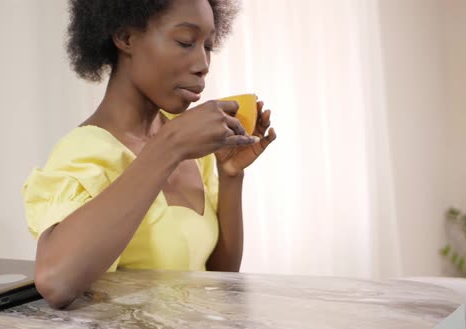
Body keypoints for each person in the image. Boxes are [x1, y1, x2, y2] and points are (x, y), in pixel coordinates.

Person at [23, 0, 276, 309]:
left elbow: (217, 278)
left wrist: (231, 175)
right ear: (126, 38)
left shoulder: (192, 146)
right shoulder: (86, 153)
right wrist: (169, 146)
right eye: (185, 41)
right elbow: (55, 282)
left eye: (207, 46)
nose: (203, 63)